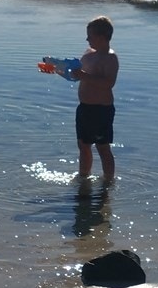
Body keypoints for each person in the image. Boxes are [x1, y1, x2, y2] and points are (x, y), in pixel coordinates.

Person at [48, 15, 119, 182]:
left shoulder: (110, 58)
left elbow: (108, 83)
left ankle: (108, 181)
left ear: (101, 37)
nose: (87, 39)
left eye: (90, 35)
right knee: (83, 145)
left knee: (102, 147)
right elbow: (78, 75)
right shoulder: (88, 54)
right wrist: (58, 69)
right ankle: (83, 177)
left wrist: (83, 75)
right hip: (85, 107)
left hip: (101, 109)